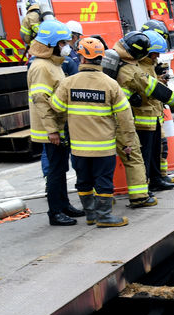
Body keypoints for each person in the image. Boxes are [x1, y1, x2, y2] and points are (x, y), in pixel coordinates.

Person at [50, 37, 134, 227]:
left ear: (82, 58)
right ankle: (104, 216)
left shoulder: (68, 83)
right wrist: (127, 142)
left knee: (83, 181)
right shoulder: (111, 84)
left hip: (79, 148)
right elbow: (125, 117)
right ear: (101, 59)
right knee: (103, 182)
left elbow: (56, 107)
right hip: (104, 148)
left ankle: (90, 215)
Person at [112, 31, 174, 197]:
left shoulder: (134, 64)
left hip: (150, 116)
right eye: (154, 53)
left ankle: (154, 180)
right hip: (140, 118)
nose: (156, 57)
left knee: (153, 152)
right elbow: (153, 88)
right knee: (143, 156)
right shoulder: (131, 69)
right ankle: (142, 190)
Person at [27, 20, 85, 225]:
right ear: (51, 44)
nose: (66, 46)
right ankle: (55, 212)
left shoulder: (52, 63)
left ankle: (64, 205)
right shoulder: (42, 67)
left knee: (61, 168)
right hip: (51, 127)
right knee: (55, 169)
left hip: (59, 124)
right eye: (62, 43)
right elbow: (41, 101)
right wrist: (52, 130)